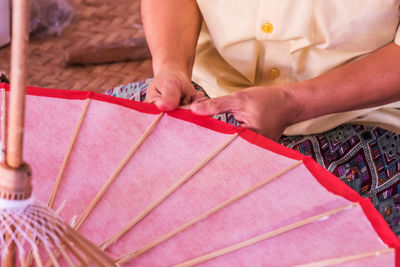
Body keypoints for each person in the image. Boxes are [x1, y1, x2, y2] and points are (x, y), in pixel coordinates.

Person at [106, 0, 400, 235]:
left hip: (361, 118)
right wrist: (172, 67)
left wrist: (293, 103)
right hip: (203, 92)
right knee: (103, 164)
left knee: (262, 231)